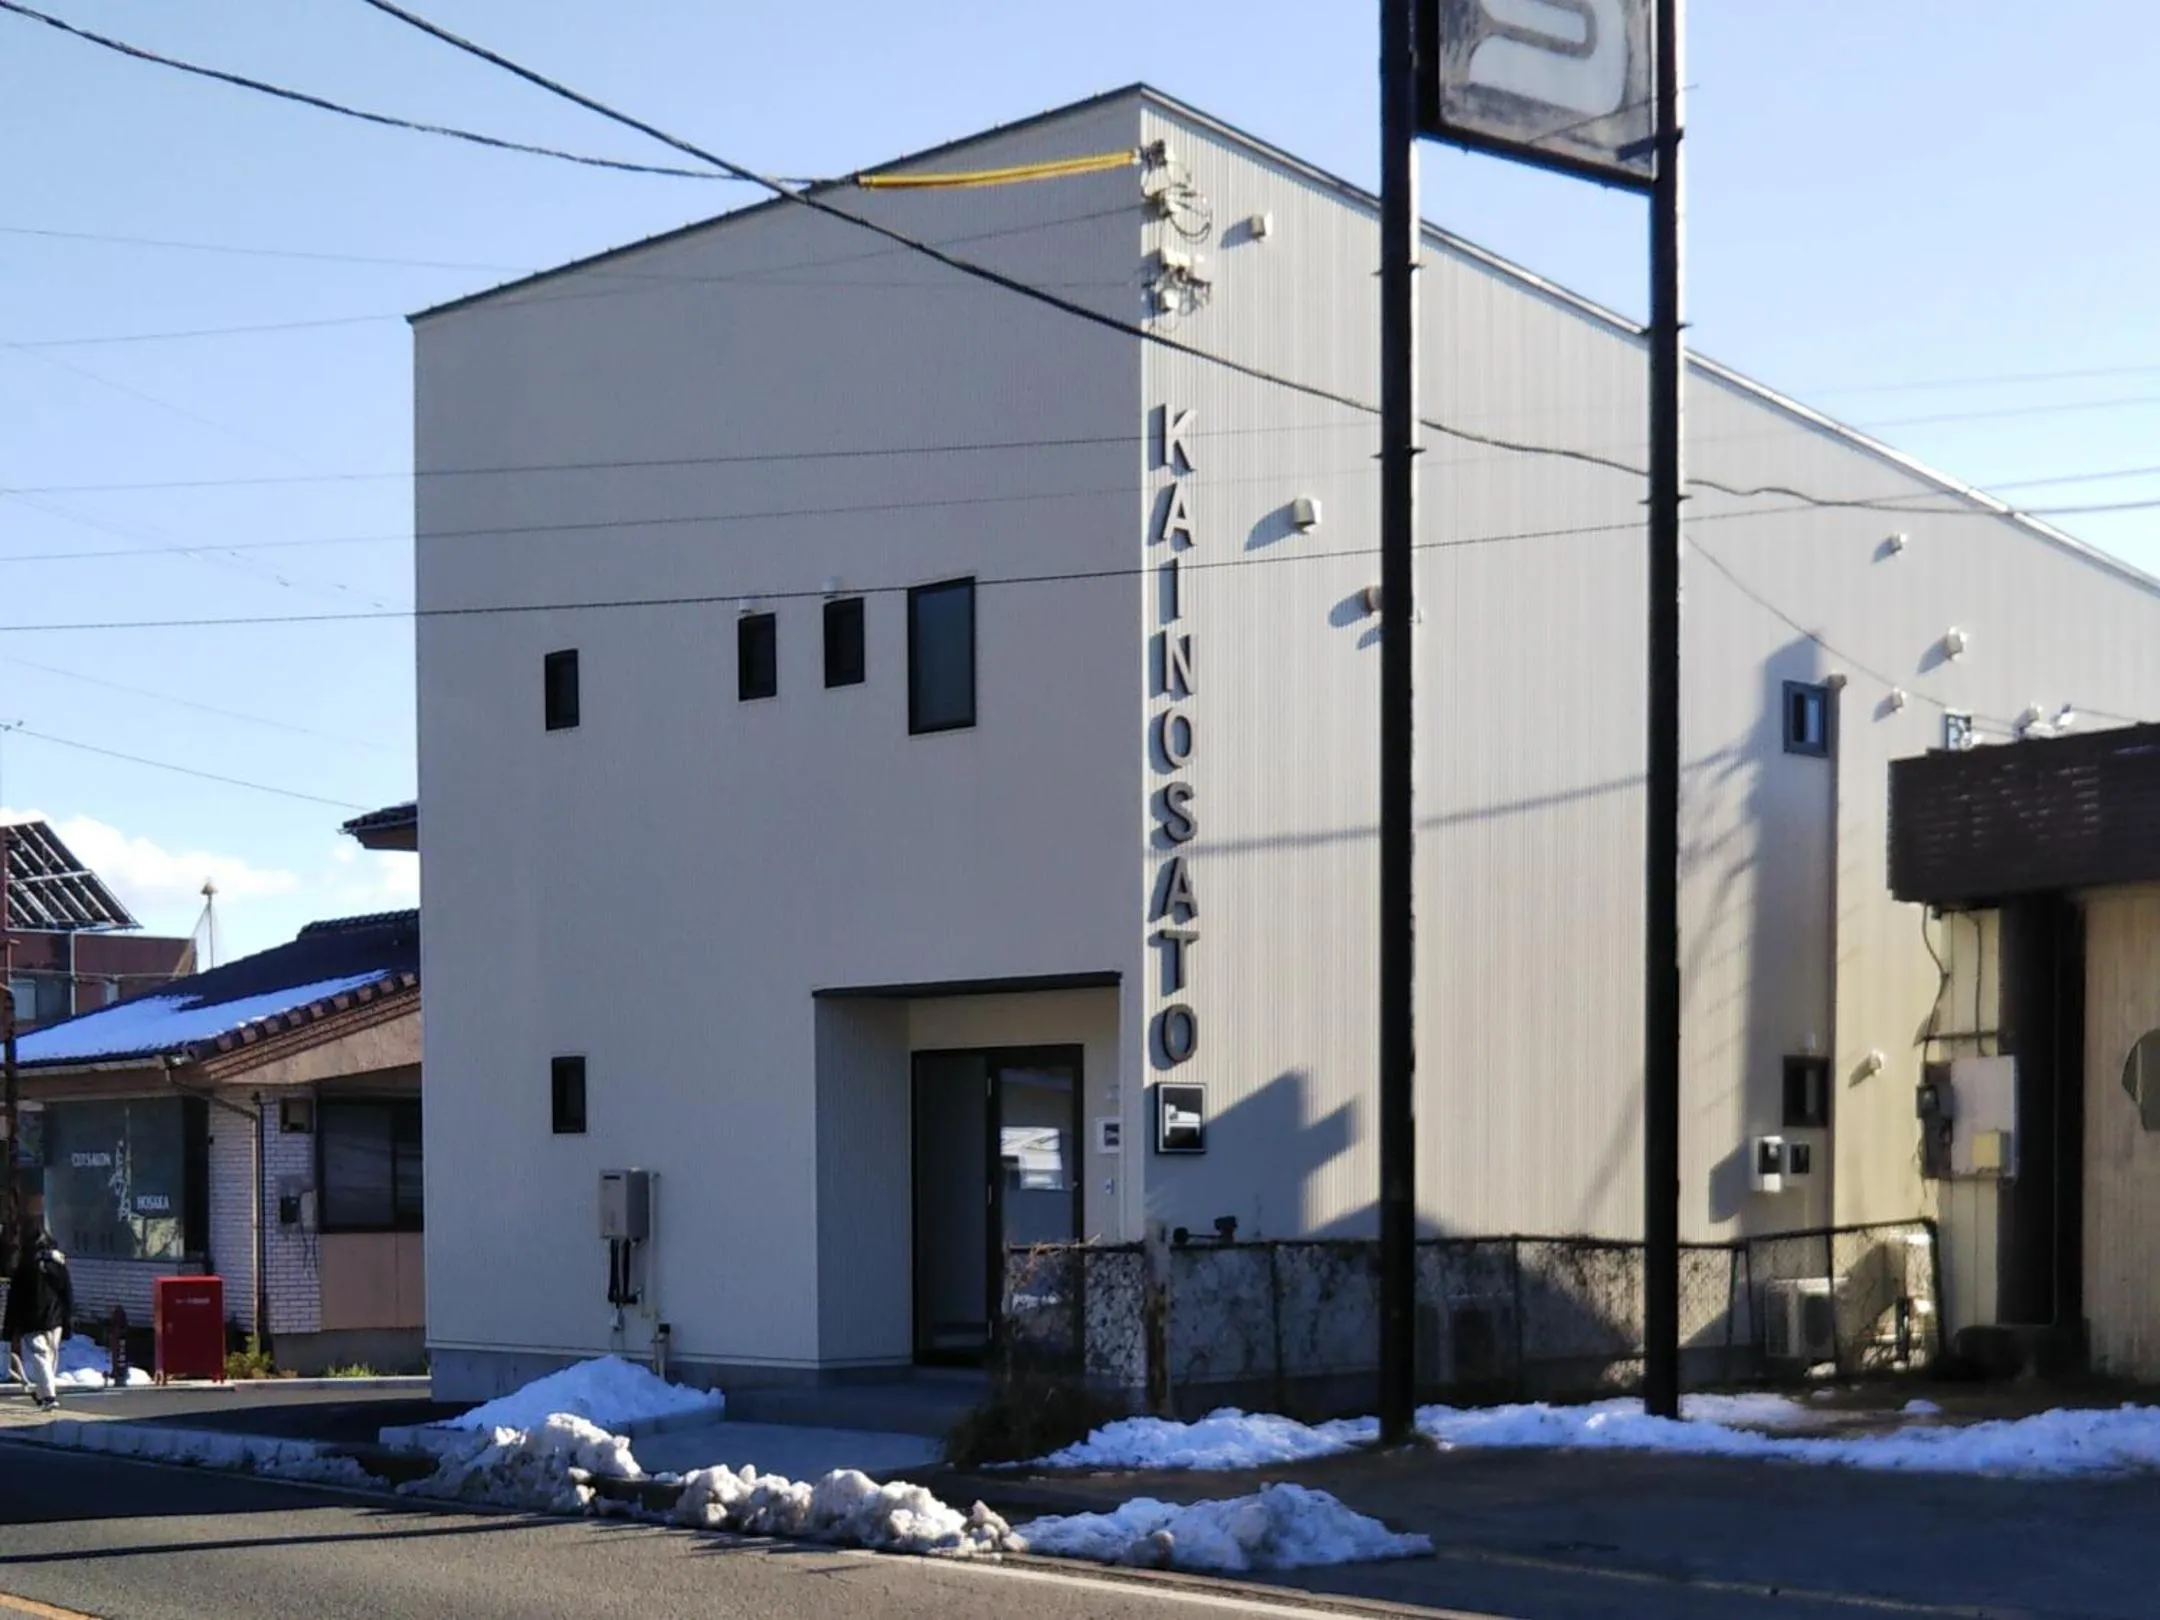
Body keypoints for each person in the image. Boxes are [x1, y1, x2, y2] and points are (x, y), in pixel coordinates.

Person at [2, 1209, 72, 1411]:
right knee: (50, 1357)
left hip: (30, 1320)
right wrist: (68, 1318)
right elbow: (67, 1292)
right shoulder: (57, 1265)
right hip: (55, 1319)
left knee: (40, 1357)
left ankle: (48, 1396)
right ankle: (43, 1394)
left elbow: (13, 1300)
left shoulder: (23, 1267)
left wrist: (8, 1330)